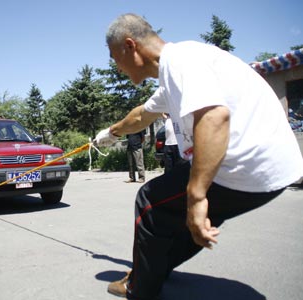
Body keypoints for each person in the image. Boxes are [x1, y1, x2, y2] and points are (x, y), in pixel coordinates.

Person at [94, 13, 303, 300]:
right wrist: (111, 132)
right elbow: (143, 114)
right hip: (275, 169)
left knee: (150, 201)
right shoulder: (177, 72)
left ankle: (140, 288)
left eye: (114, 57)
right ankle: (155, 268)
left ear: (130, 46)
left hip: (247, 167)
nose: (116, 67)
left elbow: (215, 116)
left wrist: (197, 195)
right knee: (179, 216)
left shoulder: (181, 61)